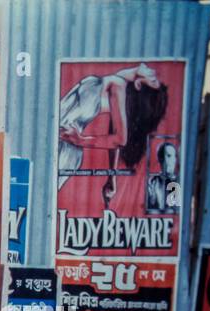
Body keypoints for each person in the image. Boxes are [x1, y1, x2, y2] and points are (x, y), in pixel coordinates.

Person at [57, 63, 168, 209]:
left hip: (65, 148)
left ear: (139, 84)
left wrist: (81, 140)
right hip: (64, 144)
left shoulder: (118, 85)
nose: (154, 72)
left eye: (153, 80)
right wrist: (112, 177)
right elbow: (113, 134)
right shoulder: (118, 84)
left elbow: (120, 140)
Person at [145, 141, 179, 213]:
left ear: (175, 159)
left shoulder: (180, 182)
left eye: (170, 156)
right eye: (163, 157)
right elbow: (149, 210)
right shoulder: (152, 182)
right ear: (159, 160)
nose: (167, 160)